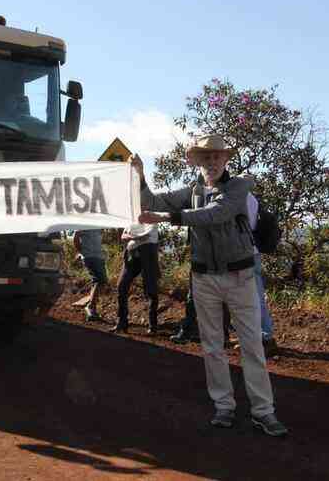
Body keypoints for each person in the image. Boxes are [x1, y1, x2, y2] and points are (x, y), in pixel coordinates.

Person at [136, 134, 288, 437]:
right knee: (212, 347)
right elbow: (150, 201)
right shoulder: (192, 191)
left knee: (252, 346)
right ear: (197, 161)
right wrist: (140, 177)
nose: (213, 161)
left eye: (218, 156)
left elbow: (217, 214)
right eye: (206, 157)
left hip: (241, 277)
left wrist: (168, 217)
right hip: (203, 277)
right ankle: (224, 407)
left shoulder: (239, 185)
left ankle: (263, 412)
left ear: (226, 159)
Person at [110, 223, 160, 335]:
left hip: (147, 253)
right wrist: (134, 237)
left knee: (150, 289)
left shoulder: (150, 217)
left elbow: (145, 236)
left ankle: (153, 325)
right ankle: (121, 322)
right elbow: (123, 236)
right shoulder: (131, 218)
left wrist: (131, 236)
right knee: (121, 286)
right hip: (131, 253)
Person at [247, 193, 277, 352]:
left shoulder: (243, 198)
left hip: (246, 254)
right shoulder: (252, 198)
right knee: (254, 297)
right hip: (253, 252)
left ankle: (265, 338)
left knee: (254, 298)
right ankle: (260, 337)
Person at [73, 229, 106, 322]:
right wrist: (81, 251)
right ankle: (90, 307)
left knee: (100, 281)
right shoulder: (84, 223)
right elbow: (76, 238)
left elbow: (99, 238)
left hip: (99, 256)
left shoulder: (99, 225)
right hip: (89, 256)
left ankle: (91, 307)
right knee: (99, 280)